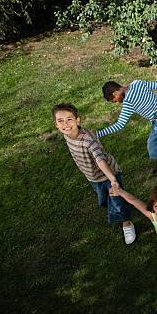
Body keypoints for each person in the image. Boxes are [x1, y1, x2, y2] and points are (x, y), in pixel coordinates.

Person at [53, 103, 136, 244]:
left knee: (117, 201)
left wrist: (113, 180)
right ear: (55, 124)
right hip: (93, 177)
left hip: (108, 174)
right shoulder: (68, 134)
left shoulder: (89, 142)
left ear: (78, 120)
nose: (65, 124)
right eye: (60, 121)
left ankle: (126, 223)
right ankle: (115, 209)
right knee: (103, 200)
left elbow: (100, 161)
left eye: (69, 119)